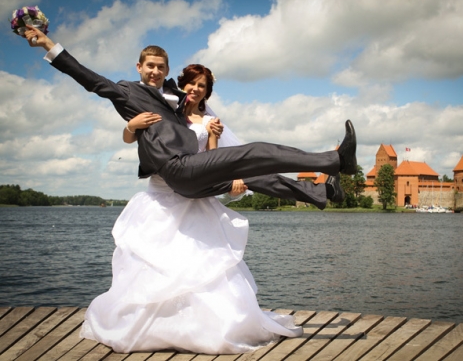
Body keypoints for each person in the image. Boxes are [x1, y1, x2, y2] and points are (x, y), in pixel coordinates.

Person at [79, 64, 304, 354]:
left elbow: (214, 161)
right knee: (158, 267)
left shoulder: (209, 119)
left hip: (196, 199)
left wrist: (215, 144)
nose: (196, 90)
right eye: (192, 84)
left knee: (206, 267)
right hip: (161, 199)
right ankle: (153, 327)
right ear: (180, 84)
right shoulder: (165, 107)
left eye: (203, 87)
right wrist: (129, 127)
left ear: (207, 93)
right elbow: (132, 135)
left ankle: (211, 328)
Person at [24, 26, 355, 208]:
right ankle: (335, 160)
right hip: (177, 169)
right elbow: (89, 79)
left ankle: (322, 193)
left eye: (160, 67)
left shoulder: (177, 103)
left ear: (167, 72)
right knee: (253, 152)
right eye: (149, 66)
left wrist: (210, 127)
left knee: (255, 174)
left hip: (190, 181)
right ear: (139, 68)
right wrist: (49, 46)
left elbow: (193, 107)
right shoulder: (128, 93)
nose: (154, 72)